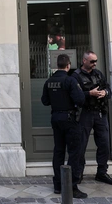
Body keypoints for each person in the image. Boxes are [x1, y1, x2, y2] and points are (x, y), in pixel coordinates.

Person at [41, 53, 88, 199]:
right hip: (70, 119)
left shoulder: (49, 81)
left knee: (59, 151)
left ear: (57, 65)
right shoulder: (70, 80)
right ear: (68, 65)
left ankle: (57, 185)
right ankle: (71, 186)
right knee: (74, 152)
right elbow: (80, 100)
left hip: (56, 118)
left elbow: (45, 101)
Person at [72, 50, 112, 186]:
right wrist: (89, 94)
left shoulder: (98, 74)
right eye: (92, 61)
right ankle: (78, 173)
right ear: (84, 61)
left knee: (104, 143)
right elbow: (74, 95)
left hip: (100, 113)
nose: (95, 64)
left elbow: (109, 89)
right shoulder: (76, 76)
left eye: (96, 61)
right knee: (81, 145)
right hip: (85, 113)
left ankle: (102, 172)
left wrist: (105, 92)